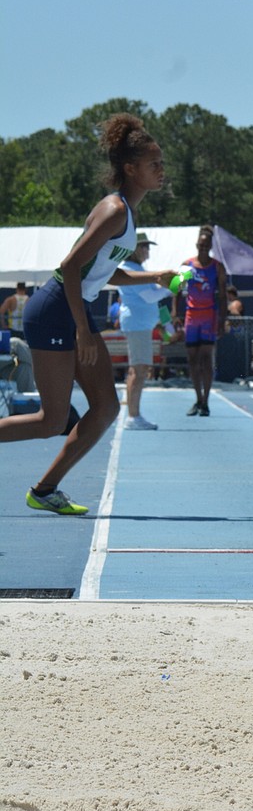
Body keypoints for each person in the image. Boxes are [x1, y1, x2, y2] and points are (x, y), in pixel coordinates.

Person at [0, 113, 175, 515]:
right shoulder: (114, 210)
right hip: (56, 310)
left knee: (107, 409)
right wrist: (81, 329)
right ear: (130, 169)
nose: (162, 171)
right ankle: (44, 490)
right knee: (51, 420)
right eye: (155, 164)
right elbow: (71, 267)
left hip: (73, 309)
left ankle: (44, 490)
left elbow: (102, 271)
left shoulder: (126, 215)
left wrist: (155, 276)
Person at [118, 233, 170, 431]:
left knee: (138, 369)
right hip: (137, 325)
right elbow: (149, 296)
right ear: (134, 249)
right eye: (143, 247)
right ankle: (133, 416)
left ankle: (133, 414)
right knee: (139, 370)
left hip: (141, 325)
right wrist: (170, 289)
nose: (147, 250)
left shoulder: (137, 269)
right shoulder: (130, 270)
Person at [174, 225, 227, 417]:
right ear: (197, 244)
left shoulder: (216, 267)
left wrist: (222, 320)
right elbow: (176, 288)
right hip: (191, 316)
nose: (203, 248)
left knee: (206, 359)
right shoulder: (188, 265)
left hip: (208, 317)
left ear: (211, 246)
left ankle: (206, 401)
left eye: (207, 245)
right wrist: (174, 313)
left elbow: (223, 295)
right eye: (201, 244)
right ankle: (197, 399)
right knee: (192, 359)